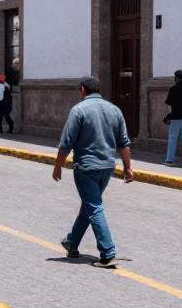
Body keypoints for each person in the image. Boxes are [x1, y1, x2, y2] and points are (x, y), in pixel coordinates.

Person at [53, 75, 133, 268]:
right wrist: (128, 167)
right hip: (107, 167)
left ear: (82, 89)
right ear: (100, 90)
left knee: (94, 206)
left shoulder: (78, 110)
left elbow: (66, 142)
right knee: (89, 205)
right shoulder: (115, 110)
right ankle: (72, 243)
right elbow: (123, 143)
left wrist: (58, 165)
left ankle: (107, 252)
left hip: (86, 167)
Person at [164, 68, 182, 166]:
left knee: (172, 138)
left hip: (176, 117)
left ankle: (170, 159)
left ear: (177, 78)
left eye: (175, 77)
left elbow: (169, 101)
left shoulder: (174, 89)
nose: (174, 79)